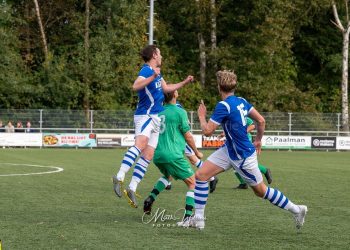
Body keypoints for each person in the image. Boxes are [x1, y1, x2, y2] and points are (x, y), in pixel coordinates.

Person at [191, 70, 307, 230]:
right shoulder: (241, 101)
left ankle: (297, 209)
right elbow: (261, 120)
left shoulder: (223, 105)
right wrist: (258, 140)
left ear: (219, 87)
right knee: (201, 175)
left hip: (242, 156)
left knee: (261, 191)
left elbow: (207, 131)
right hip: (229, 150)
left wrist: (201, 115)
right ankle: (198, 219)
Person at [112, 44, 194, 208]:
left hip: (156, 117)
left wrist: (184, 82)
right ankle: (120, 176)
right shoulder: (147, 71)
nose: (162, 56)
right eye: (160, 54)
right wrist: (152, 77)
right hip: (146, 115)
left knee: (148, 155)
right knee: (140, 145)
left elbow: (166, 88)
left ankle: (132, 186)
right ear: (154, 55)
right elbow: (135, 86)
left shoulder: (157, 72)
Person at [143, 90, 202, 226]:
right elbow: (188, 136)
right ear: (175, 95)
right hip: (173, 155)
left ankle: (150, 198)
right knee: (193, 183)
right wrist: (197, 152)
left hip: (158, 155)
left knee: (167, 176)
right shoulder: (180, 112)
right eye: (176, 90)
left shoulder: (157, 111)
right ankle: (188, 218)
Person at [165, 102, 219, 193]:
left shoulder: (176, 106)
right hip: (172, 140)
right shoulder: (163, 106)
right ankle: (168, 183)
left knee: (193, 160)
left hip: (181, 139)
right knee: (170, 159)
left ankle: (212, 177)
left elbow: (184, 123)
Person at [232, 117, 272, 189]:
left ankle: (265, 170)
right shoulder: (232, 117)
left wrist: (243, 133)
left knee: (242, 162)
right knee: (235, 162)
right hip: (236, 142)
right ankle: (243, 183)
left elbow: (253, 125)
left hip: (244, 141)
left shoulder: (242, 116)